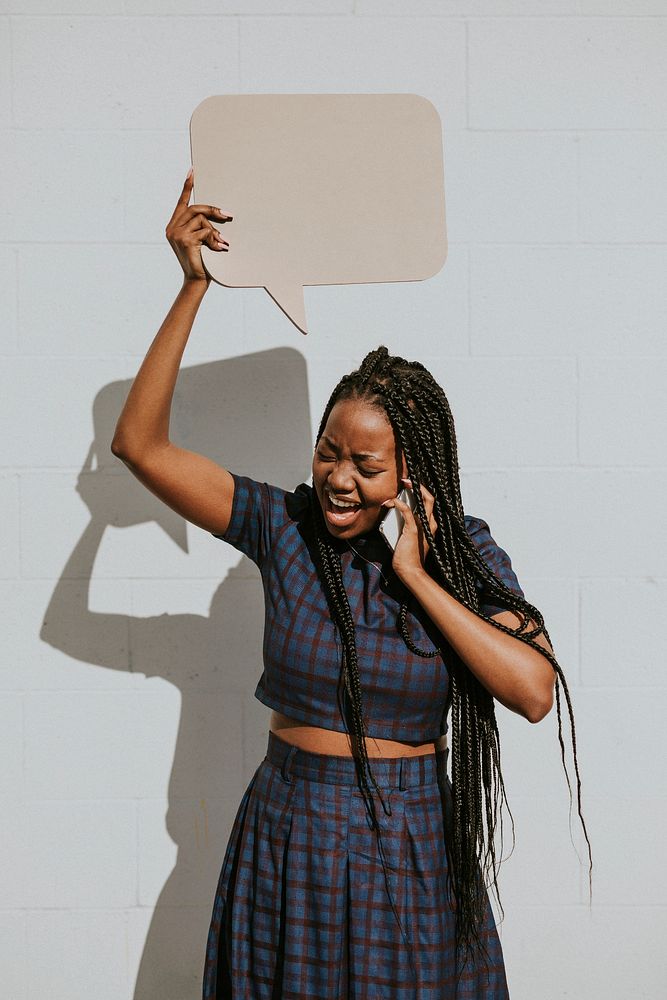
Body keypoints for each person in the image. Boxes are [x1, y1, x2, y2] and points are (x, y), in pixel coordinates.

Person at [112, 171, 588, 999]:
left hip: (406, 838)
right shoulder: (281, 525)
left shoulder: (461, 551)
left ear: (412, 469)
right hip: (286, 828)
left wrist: (418, 575)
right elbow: (141, 447)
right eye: (328, 452)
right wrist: (193, 288)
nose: (337, 478)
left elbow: (533, 689)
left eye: (365, 466)